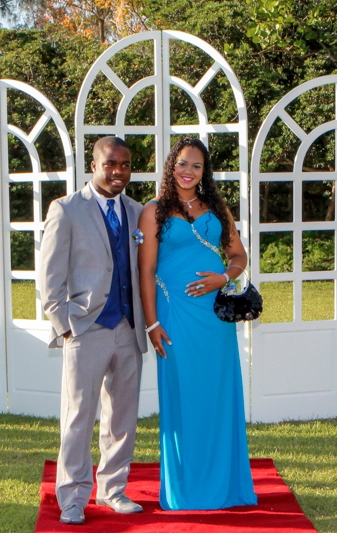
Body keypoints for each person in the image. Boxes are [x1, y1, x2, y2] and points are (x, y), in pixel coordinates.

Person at [138, 137, 257, 510]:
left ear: (205, 172)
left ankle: (225, 486)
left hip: (213, 320)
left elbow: (239, 256)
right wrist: (151, 324)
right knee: (183, 398)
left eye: (197, 166)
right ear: (171, 165)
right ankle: (187, 489)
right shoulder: (153, 211)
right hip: (174, 316)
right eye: (183, 163)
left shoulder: (216, 208)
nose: (188, 171)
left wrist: (224, 277)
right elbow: (146, 271)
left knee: (217, 397)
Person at [40, 136, 148, 525]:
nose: (118, 171)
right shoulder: (67, 209)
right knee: (78, 416)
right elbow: (49, 275)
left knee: (122, 416)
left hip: (128, 328)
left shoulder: (138, 212)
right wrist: (64, 326)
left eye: (125, 164)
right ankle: (72, 497)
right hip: (85, 328)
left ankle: (112, 489)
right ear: (94, 165)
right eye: (110, 164)